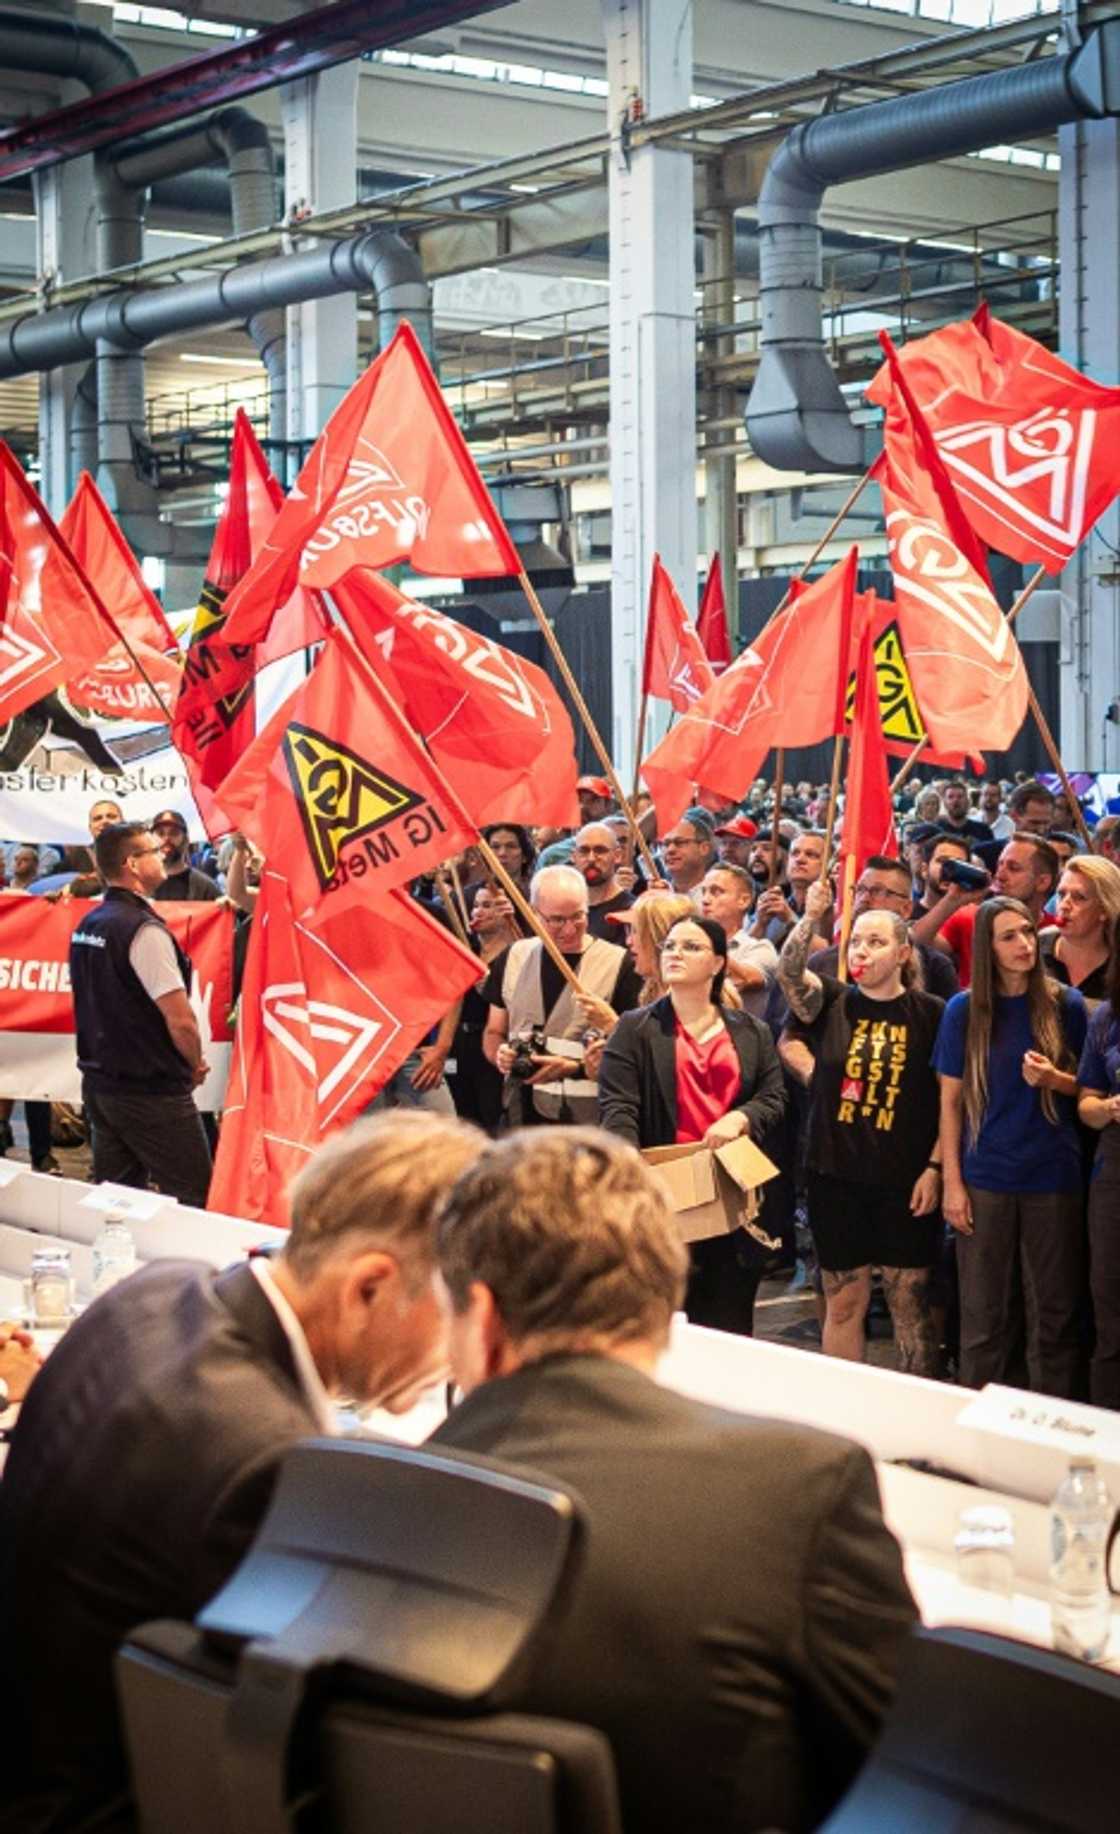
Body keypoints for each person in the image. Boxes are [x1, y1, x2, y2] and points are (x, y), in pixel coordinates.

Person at [0, 1110, 486, 1834]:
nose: (460, 1353)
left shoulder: (147, 1293)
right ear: (370, 1288)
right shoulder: (275, 1463)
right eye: (459, 1316)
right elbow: (319, 1747)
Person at [430, 1126, 918, 1834]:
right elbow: (910, 1774)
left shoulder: (348, 1503)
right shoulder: (802, 1489)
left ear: (479, 1320)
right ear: (664, 1292)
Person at [778, 879, 945, 1377]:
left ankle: (915, 1418)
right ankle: (844, 1409)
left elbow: (950, 1103)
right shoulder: (831, 1001)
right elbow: (789, 974)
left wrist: (936, 1167)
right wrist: (810, 918)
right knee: (843, 1303)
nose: (862, 951)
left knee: (908, 1308)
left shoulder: (932, 1015)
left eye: (876, 942)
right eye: (855, 941)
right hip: (835, 1178)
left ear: (902, 952)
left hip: (904, 1181)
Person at [598, 913, 785, 1334]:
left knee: (728, 1324)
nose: (675, 954)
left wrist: (741, 1116)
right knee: (659, 1327)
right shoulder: (635, 1028)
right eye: (670, 947)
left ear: (719, 963)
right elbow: (618, 1107)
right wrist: (632, 1175)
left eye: (691, 946)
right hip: (663, 1192)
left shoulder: (751, 1030)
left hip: (730, 1191)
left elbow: (774, 1097)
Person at [934, 897, 1088, 1397]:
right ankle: (981, 1434)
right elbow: (950, 1103)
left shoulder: (1065, 1004)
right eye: (1008, 936)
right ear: (987, 946)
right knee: (983, 1318)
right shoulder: (964, 1010)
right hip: (986, 1178)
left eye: (1027, 931)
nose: (1024, 944)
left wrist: (1055, 1079)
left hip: (1052, 1176)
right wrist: (951, 1183)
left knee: (1053, 1316)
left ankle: (1054, 1429)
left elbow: (1090, 1090)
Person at [69, 820, 213, 1207]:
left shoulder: (90, 923)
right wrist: (194, 1063)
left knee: (118, 1204)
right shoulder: (142, 931)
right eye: (152, 850)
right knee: (197, 1199)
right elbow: (180, 1020)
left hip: (102, 1087)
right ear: (133, 864)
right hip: (150, 1091)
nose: (162, 854)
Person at [482, 864, 641, 1126]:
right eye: (556, 920)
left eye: (578, 916)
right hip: (521, 1114)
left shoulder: (619, 964)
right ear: (534, 914)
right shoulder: (513, 957)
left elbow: (633, 1050)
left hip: (588, 1118)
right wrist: (501, 1055)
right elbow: (493, 1031)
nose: (569, 929)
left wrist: (575, 1067)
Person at [809, 855, 959, 1004]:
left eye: (877, 891)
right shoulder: (823, 963)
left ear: (906, 909)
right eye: (860, 889)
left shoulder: (935, 967)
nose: (864, 899)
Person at [1078, 926, 1120, 1407]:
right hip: (1112, 1176)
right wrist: (1109, 1108)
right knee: (1110, 1315)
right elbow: (1086, 1103)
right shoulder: (1106, 1017)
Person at [448, 884, 520, 1132]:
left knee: (492, 1113)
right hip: (459, 1043)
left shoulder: (516, 953)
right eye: (476, 905)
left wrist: (490, 987)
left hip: (490, 1043)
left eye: (488, 905)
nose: (479, 911)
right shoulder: (465, 949)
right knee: (461, 1116)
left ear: (505, 911)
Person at [698, 863, 778, 1018]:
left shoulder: (759, 948)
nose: (705, 900)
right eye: (704, 892)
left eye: (716, 892)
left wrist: (704, 943)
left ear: (744, 901)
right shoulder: (687, 943)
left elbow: (744, 979)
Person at [1043, 855, 1120, 1008]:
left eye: (1079, 897)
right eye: (1061, 894)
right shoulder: (1033, 948)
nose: (1064, 905)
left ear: (1104, 910)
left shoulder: (1116, 966)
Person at [751, 828, 829, 949]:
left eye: (811, 855)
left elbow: (825, 955)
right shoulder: (774, 905)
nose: (800, 859)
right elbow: (744, 954)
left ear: (827, 864)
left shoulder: (831, 911)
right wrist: (760, 924)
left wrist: (789, 919)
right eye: (795, 853)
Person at [572, 821, 634, 937]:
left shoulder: (631, 910)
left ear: (617, 856)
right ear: (574, 857)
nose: (591, 859)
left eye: (600, 850)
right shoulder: (566, 909)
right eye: (584, 851)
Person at [148, 808, 221, 902]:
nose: (166, 839)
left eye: (174, 833)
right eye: (160, 833)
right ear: (150, 840)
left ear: (186, 840)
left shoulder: (205, 887)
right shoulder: (140, 886)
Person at [657, 809, 717, 902]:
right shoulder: (656, 898)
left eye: (680, 842)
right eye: (666, 844)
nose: (670, 850)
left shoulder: (719, 899)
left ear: (704, 848)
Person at [939, 778, 994, 845]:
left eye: (960, 796)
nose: (955, 800)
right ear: (944, 803)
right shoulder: (936, 831)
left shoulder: (983, 830)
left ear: (967, 802)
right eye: (950, 797)